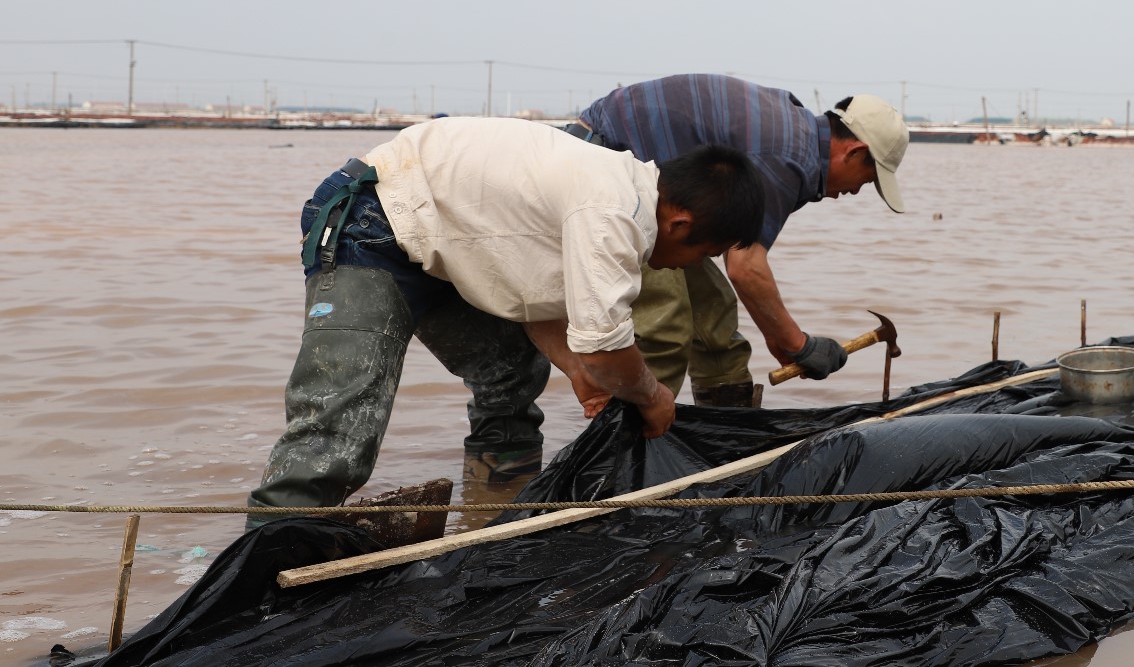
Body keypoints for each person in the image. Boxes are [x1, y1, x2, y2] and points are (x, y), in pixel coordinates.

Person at [246, 117, 764, 519]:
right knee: (344, 416)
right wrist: (652, 396)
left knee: (511, 373)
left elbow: (527, 294)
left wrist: (577, 370)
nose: (691, 267)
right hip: (373, 218)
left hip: (444, 236)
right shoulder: (614, 210)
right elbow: (607, 346)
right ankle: (267, 558)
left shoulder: (620, 193)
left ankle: (495, 517)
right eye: (704, 253)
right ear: (681, 223)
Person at [566, 75, 910, 407]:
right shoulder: (786, 156)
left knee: (714, 311)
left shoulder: (795, 135)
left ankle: (727, 425)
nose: (855, 191)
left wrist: (779, 337)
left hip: (662, 193)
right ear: (854, 152)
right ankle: (633, 432)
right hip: (607, 162)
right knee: (666, 325)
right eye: (867, 179)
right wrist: (799, 344)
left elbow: (739, 257)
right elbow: (745, 267)